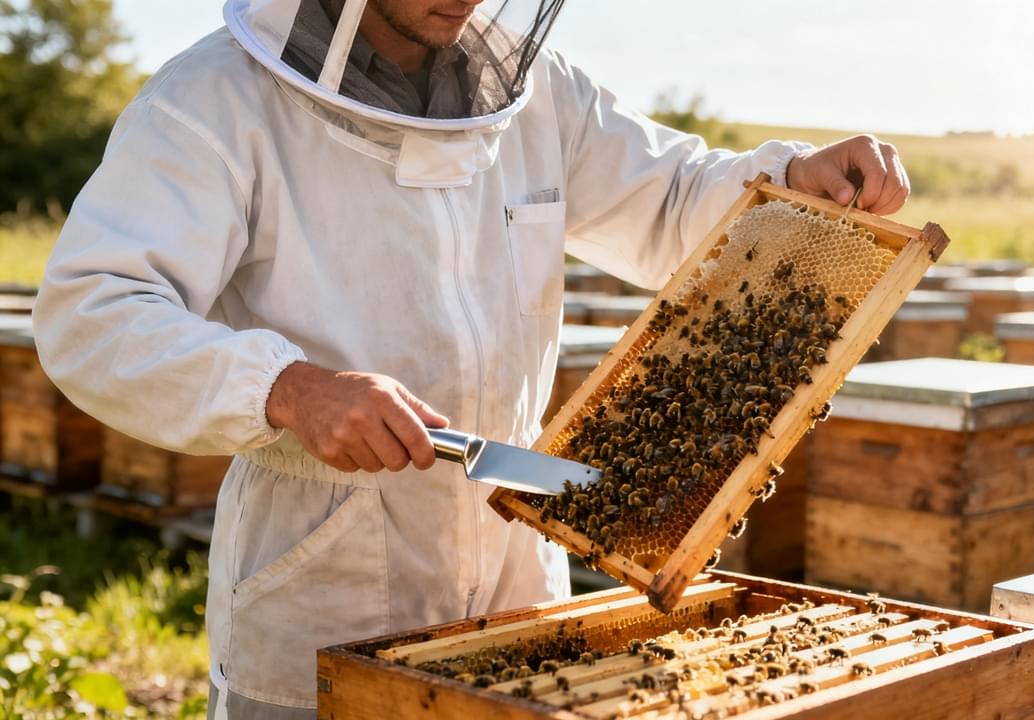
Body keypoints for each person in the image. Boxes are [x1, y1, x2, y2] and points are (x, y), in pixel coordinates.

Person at [33, 0, 910, 717]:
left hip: (515, 576)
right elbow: (93, 311)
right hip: (320, 593)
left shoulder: (539, 94)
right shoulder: (214, 101)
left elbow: (675, 199)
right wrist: (287, 389)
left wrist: (796, 178)